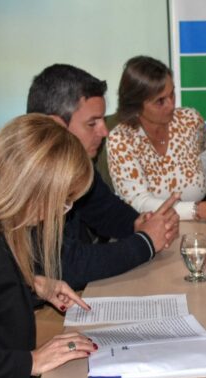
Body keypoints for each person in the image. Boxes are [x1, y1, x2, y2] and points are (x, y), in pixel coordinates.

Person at [0, 114, 99, 378]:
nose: (62, 213)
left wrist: (31, 284)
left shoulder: (1, 227)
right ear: (31, 189)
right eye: (63, 201)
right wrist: (32, 361)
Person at [27, 64, 180, 289]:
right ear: (55, 125)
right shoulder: (30, 174)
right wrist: (146, 242)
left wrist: (140, 224)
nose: (104, 131)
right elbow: (63, 266)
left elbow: (106, 210)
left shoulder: (77, 166)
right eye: (92, 123)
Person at [107, 55, 206, 222]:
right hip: (151, 232)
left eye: (172, 94)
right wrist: (196, 210)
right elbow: (139, 202)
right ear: (136, 104)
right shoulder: (121, 139)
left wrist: (199, 178)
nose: (171, 105)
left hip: (200, 227)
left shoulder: (190, 120)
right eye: (160, 101)